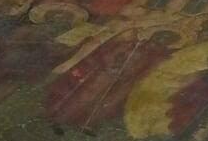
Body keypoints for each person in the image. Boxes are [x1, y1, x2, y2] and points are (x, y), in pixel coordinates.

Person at [43, 28, 185, 134]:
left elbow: (150, 69)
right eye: (161, 40)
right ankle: (59, 119)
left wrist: (132, 77)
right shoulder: (131, 45)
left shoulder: (157, 55)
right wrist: (113, 67)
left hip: (126, 81)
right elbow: (111, 55)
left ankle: (86, 123)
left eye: (166, 42)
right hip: (108, 74)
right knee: (86, 96)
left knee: (108, 102)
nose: (161, 44)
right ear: (154, 37)